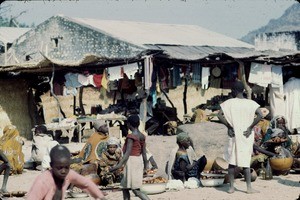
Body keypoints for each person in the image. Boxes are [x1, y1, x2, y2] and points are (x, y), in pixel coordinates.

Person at [217, 81, 263, 194]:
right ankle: (248, 188)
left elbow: (219, 115)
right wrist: (250, 127)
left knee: (232, 161)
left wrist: (229, 126)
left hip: (233, 133)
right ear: (243, 90)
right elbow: (260, 115)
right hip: (246, 134)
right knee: (246, 161)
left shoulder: (229, 103)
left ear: (233, 91)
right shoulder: (251, 103)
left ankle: (231, 187)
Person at [26, 145, 107, 200]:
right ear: (51, 165)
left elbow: (86, 184)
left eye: (66, 167)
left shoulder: (69, 174)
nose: (63, 171)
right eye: (59, 168)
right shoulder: (43, 181)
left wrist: (100, 196)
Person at [109, 114, 150, 200]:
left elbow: (127, 154)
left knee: (136, 190)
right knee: (125, 187)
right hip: (138, 161)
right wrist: (146, 165)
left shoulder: (131, 137)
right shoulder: (142, 136)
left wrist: (118, 166)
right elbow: (144, 152)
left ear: (129, 125)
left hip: (131, 162)